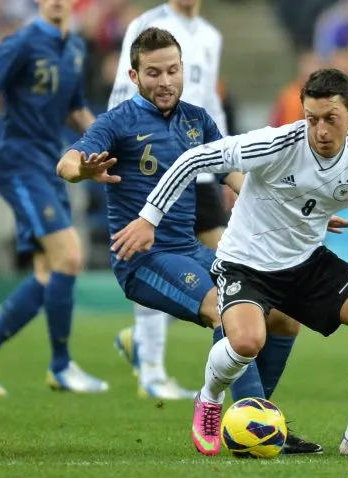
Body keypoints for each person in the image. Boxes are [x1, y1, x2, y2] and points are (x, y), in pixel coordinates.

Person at [113, 68, 348, 456]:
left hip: (305, 263)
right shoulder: (275, 144)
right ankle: (208, 400)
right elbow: (193, 159)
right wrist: (148, 218)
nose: (320, 130)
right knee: (246, 342)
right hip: (245, 263)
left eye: (331, 119)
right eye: (312, 118)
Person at [57, 27, 326, 454]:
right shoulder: (117, 122)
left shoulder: (197, 120)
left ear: (183, 70)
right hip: (143, 258)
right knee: (227, 310)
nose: (164, 82)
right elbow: (68, 162)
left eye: (172, 70)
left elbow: (236, 175)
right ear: (134, 75)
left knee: (282, 317)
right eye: (153, 73)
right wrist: (82, 170)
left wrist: (299, 208)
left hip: (190, 250)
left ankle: (257, 419)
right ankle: (249, 422)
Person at [0, 0, 108, 395]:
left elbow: (75, 110)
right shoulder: (21, 43)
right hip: (20, 165)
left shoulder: (74, 47)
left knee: (48, 273)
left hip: (51, 164)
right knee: (70, 255)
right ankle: (60, 365)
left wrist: (108, 143)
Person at [107, 0, 237, 401]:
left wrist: (227, 164)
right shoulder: (147, 25)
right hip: (152, 166)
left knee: (228, 271)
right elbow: (120, 94)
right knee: (154, 251)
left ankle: (149, 344)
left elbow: (211, 103)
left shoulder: (211, 36)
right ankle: (151, 366)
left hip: (200, 167)